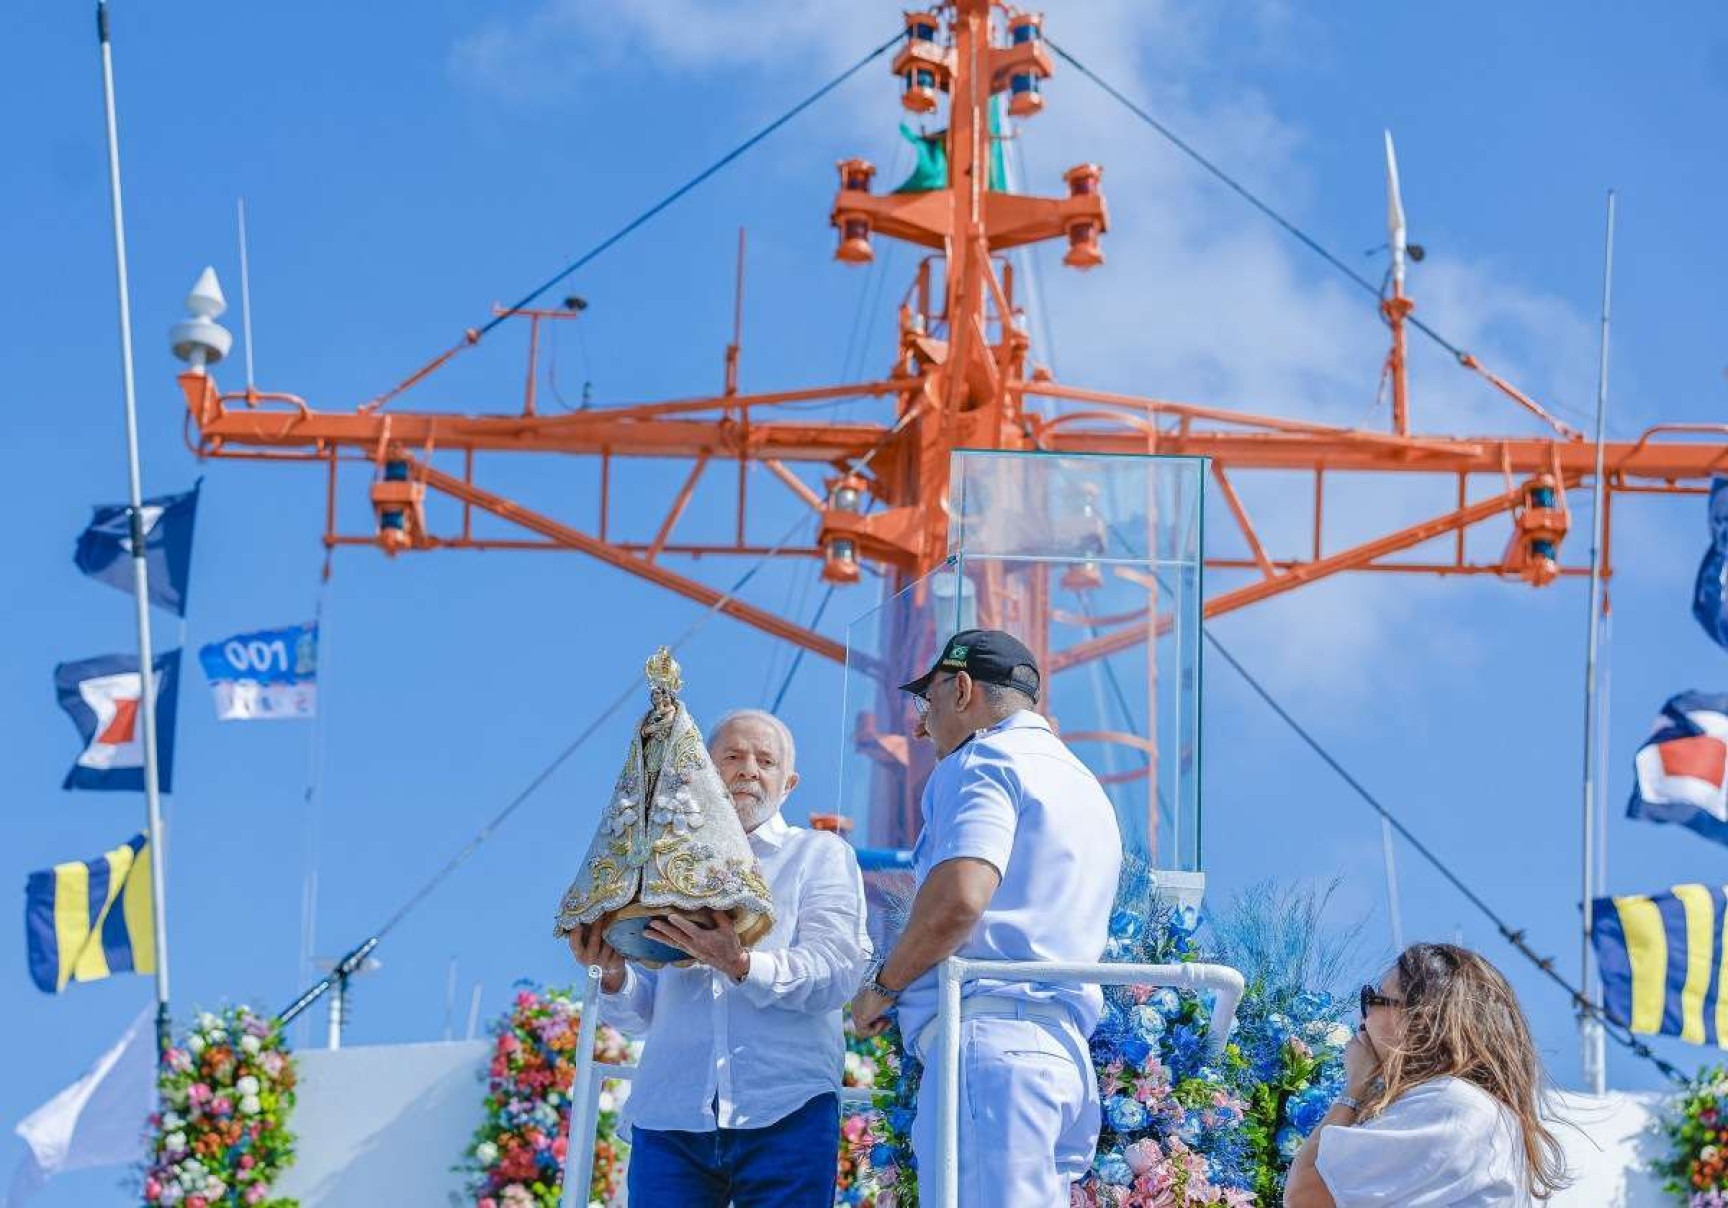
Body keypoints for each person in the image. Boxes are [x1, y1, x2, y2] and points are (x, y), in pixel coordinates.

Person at [850, 628, 1124, 1207]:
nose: (922, 725)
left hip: (991, 1045)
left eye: (929, 702)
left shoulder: (982, 759)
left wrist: (882, 985)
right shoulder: (1086, 786)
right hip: (1062, 1053)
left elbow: (960, 898)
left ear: (963, 688)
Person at [567, 708, 871, 1208]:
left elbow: (838, 973)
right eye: (732, 756)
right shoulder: (658, 865)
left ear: (788, 783)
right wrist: (615, 976)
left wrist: (742, 964)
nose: (749, 769)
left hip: (785, 1107)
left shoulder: (819, 855)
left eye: (766, 760)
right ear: (703, 772)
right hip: (671, 1113)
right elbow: (644, 1013)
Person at [1283, 942, 1568, 1207]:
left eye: (1373, 998)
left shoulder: (1449, 1104)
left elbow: (1305, 1196)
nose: (1362, 1017)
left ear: (1420, 1017)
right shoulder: (1472, 1108)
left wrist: (1355, 1087)